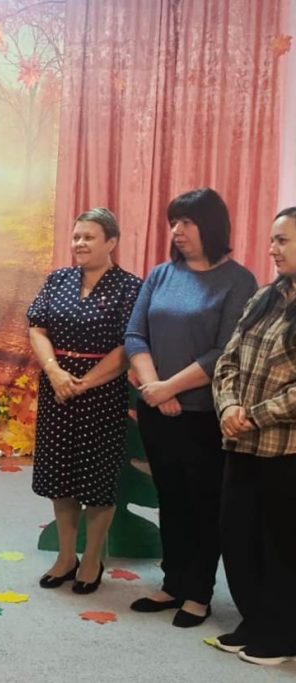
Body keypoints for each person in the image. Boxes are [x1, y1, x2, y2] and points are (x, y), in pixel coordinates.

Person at [124, 187, 257, 627]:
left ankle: (198, 593)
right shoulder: (161, 274)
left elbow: (225, 351)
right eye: (173, 223)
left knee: (202, 503)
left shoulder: (238, 281)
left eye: (187, 222)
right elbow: (135, 335)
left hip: (203, 416)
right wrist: (155, 389)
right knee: (170, 498)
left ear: (211, 226)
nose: (177, 231)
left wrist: (168, 388)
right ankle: (173, 583)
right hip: (157, 410)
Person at [27, 208, 142, 594]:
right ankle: (65, 557)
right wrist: (55, 372)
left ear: (112, 242)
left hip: (102, 395)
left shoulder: (130, 287)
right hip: (57, 390)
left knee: (97, 481)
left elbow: (128, 346)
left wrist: (84, 382)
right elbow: (37, 328)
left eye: (89, 237)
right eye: (76, 236)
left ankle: (92, 559)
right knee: (60, 478)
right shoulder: (57, 280)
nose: (79, 243)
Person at [210, 207, 296, 665]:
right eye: (272, 239)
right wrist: (228, 407)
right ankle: (257, 619)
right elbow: (228, 359)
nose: (272, 249)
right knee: (238, 538)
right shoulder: (265, 296)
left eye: (283, 240)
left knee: (280, 546)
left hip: (284, 451)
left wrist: (254, 416)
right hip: (240, 443)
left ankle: (283, 634)